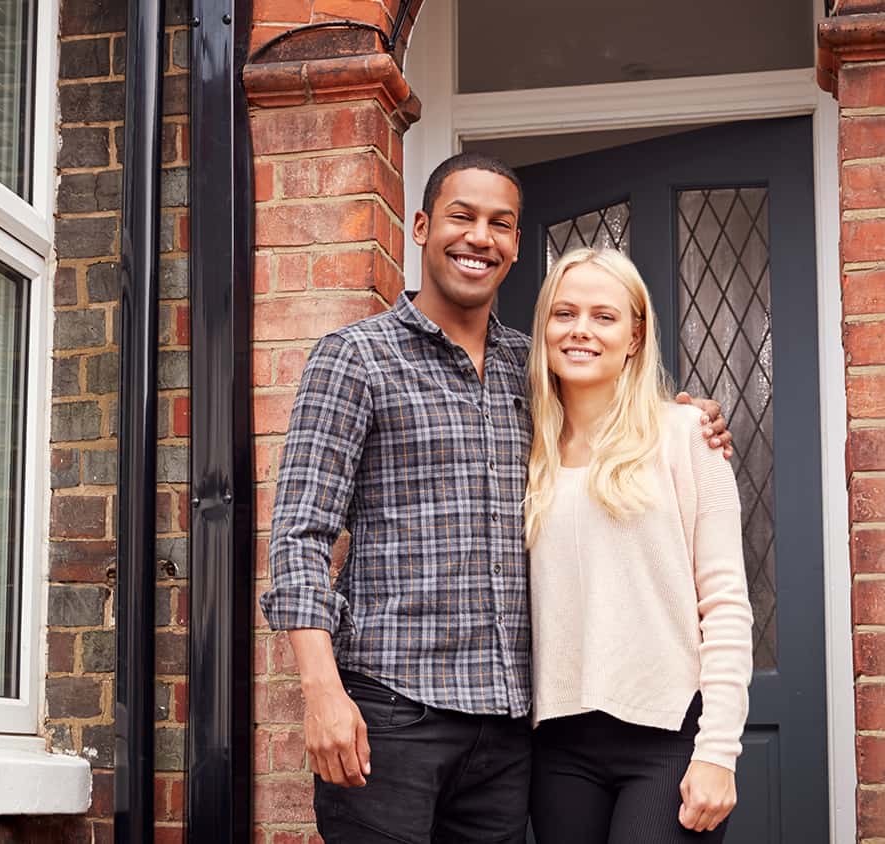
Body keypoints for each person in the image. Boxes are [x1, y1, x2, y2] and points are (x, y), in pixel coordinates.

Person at [259, 153, 733, 843]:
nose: (480, 237)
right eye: (462, 216)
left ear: (514, 247)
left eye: (500, 224)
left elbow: (618, 422)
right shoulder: (355, 359)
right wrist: (321, 692)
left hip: (509, 736)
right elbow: (300, 536)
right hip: (392, 720)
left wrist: (690, 420)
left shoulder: (533, 368)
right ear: (421, 226)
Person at [524, 247, 753, 843]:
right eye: (564, 313)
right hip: (558, 748)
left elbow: (725, 605)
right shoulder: (526, 452)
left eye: (604, 316)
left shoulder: (687, 438)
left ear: (635, 335)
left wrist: (718, 752)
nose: (581, 330)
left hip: (668, 739)